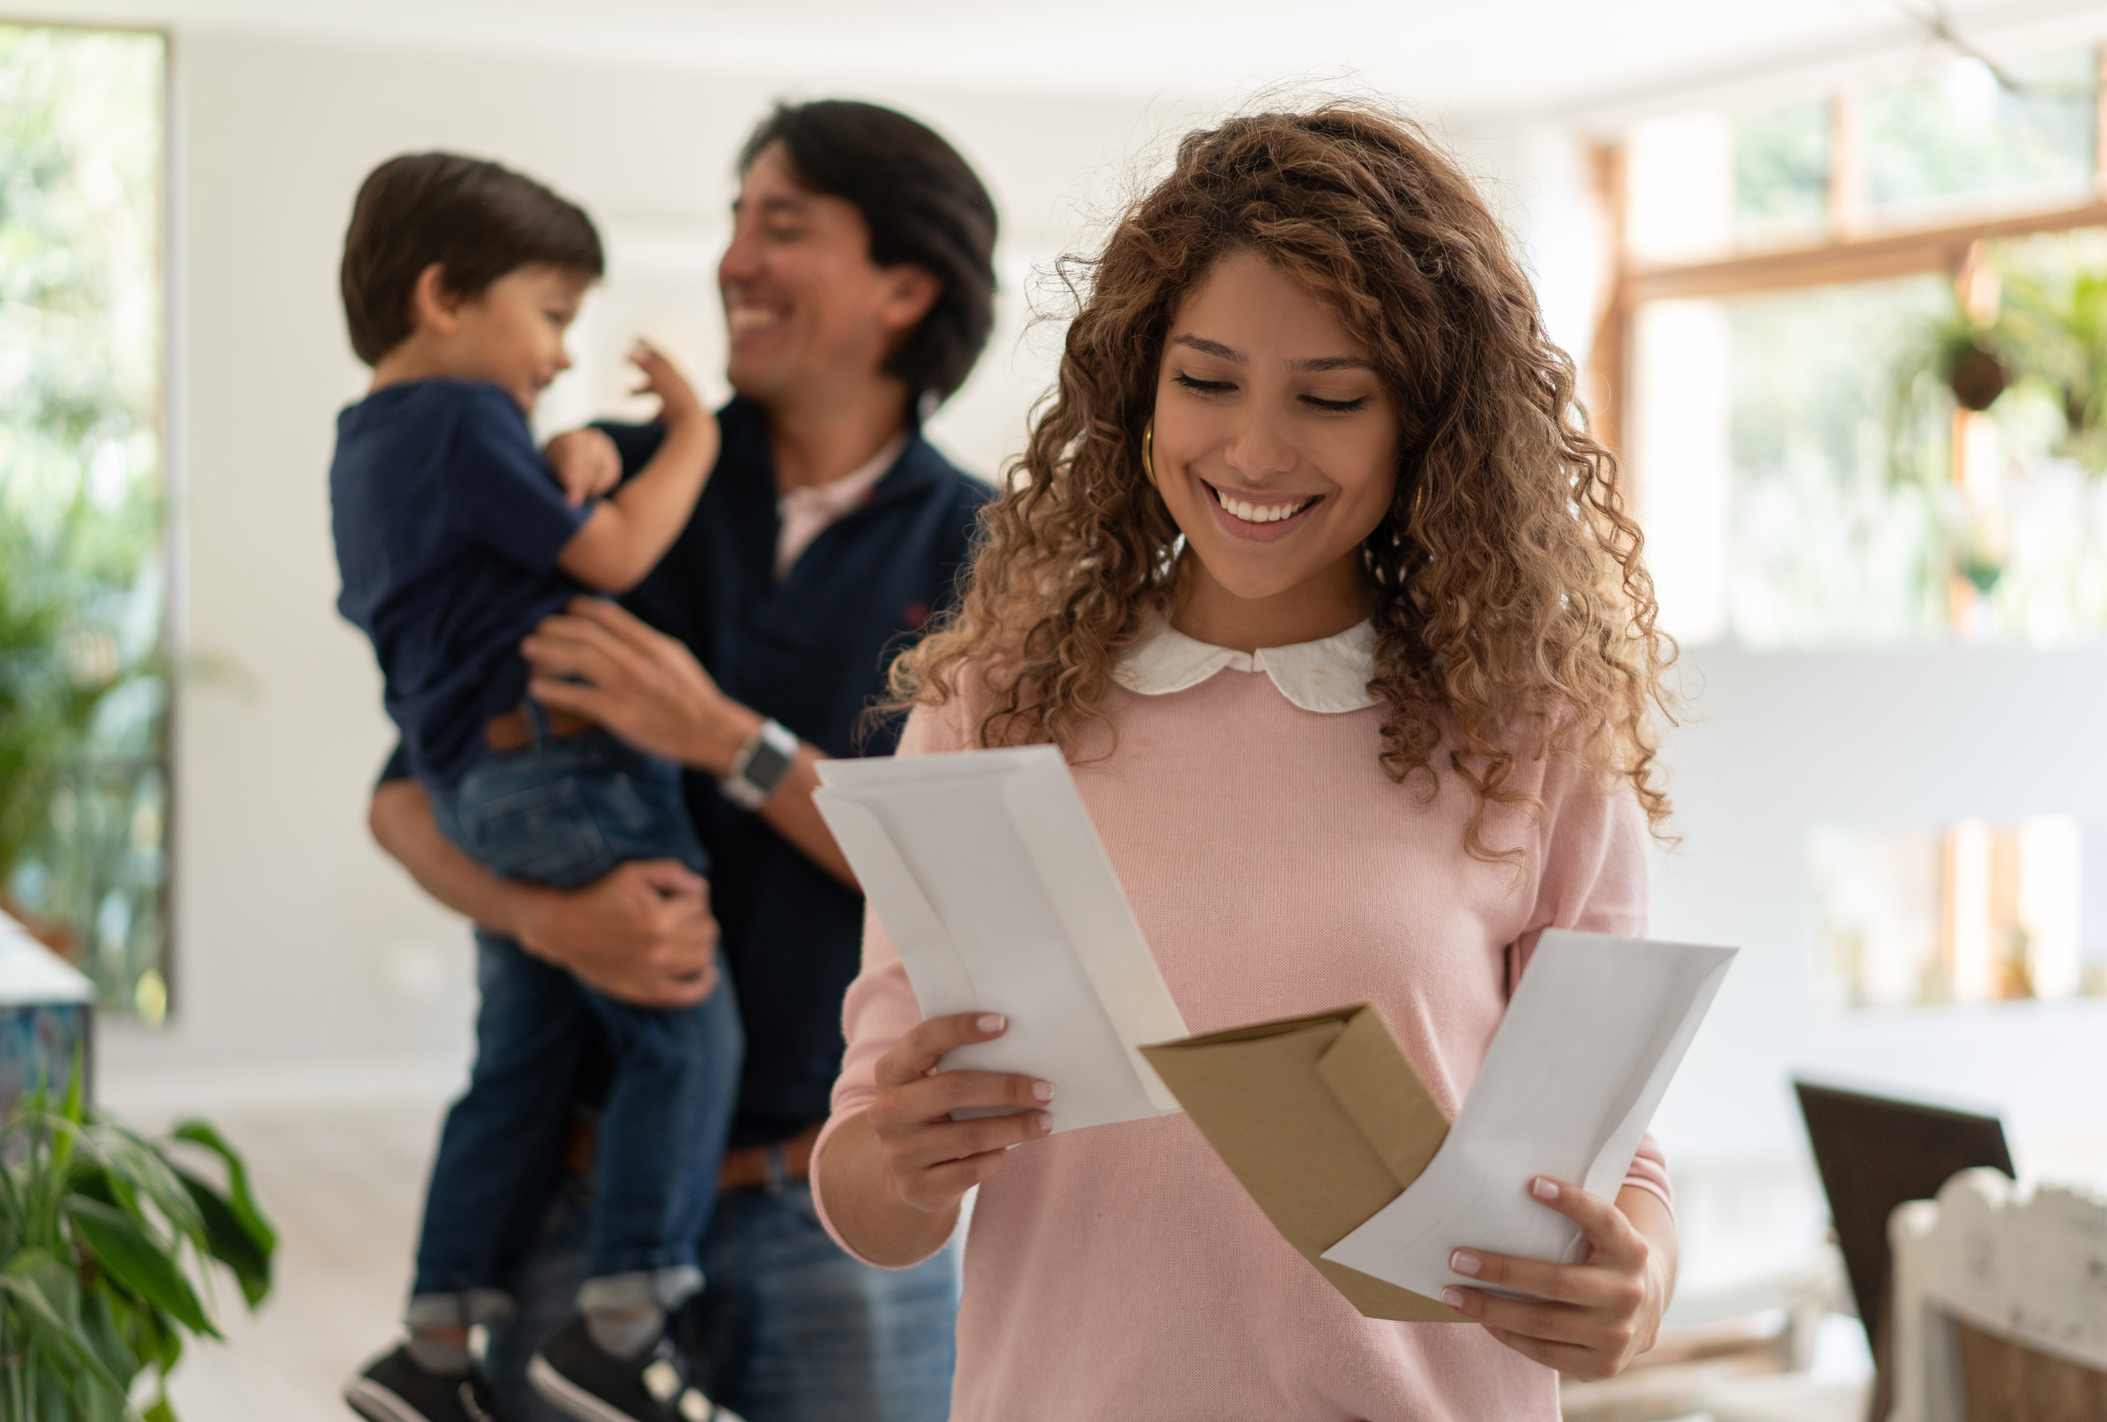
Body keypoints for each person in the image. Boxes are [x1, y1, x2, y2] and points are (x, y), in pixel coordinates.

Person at [810, 103, 1682, 1419]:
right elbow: (869, 1194)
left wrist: (1634, 1281)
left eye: (1329, 396)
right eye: (1205, 380)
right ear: (1136, 382)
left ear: (1423, 419)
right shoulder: (991, 710)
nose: (1255, 451)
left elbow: (1613, 1170)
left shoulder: (1532, 737)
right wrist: (901, 1160)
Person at [366, 101, 997, 1422]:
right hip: (570, 1203)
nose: (734, 261)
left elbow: (968, 887)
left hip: (844, 1215)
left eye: (782, 224)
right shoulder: (604, 487)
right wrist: (545, 913)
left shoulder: (993, 555)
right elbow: (409, 795)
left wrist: (722, 739)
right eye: (732, 220)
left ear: (903, 286)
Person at [330, 153, 742, 1422]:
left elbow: (508, 562)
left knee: (519, 1055)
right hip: (566, 767)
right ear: (445, 294)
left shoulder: (370, 442)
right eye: (552, 314)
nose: (561, 355)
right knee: (683, 1025)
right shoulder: (461, 421)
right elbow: (611, 556)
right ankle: (617, 1330)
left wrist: (562, 466)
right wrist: (695, 435)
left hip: (475, 783)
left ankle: (438, 1341)